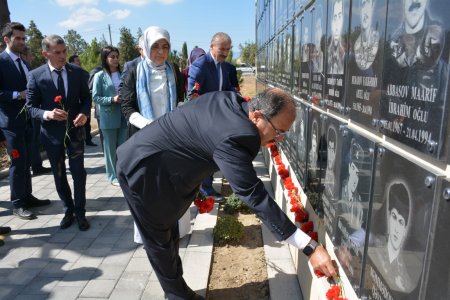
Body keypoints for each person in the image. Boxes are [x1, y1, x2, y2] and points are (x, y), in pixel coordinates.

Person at [116, 88, 337, 299]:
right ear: (257, 116)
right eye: (279, 131)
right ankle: (177, 295)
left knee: (169, 235)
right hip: (144, 172)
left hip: (165, 170)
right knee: (159, 241)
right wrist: (309, 247)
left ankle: (177, 286)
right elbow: (253, 194)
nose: (279, 139)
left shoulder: (233, 103)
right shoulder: (238, 136)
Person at [121, 26, 188, 243]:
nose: (160, 52)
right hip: (144, 137)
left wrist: (178, 115)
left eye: (165, 46)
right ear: (147, 46)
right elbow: (127, 106)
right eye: (156, 46)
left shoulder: (174, 70)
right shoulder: (133, 71)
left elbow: (179, 98)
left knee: (173, 185)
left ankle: (177, 229)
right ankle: (148, 234)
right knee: (147, 187)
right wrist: (148, 125)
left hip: (171, 137)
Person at [26, 35, 91, 231]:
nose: (63, 56)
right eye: (57, 52)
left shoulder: (78, 73)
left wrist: (84, 114)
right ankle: (68, 210)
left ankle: (80, 212)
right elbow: (30, 108)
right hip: (52, 136)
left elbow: (86, 100)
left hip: (75, 131)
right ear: (45, 53)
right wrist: (48, 114)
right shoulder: (36, 76)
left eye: (64, 51)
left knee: (79, 173)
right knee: (59, 174)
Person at [0, 22, 50, 220]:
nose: (22, 42)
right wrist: (16, 95)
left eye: (23, 38)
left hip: (28, 120)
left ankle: (27, 196)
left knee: (27, 160)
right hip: (11, 123)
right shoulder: (1, 61)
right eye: (18, 38)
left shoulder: (24, 62)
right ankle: (18, 203)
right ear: (6, 39)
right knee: (17, 162)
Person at [187, 32, 238, 202]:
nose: (224, 52)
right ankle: (205, 190)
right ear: (211, 46)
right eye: (221, 49)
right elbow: (192, 94)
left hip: (218, 117)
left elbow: (227, 86)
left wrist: (237, 96)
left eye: (228, 49)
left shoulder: (223, 65)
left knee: (213, 153)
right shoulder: (201, 65)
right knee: (206, 155)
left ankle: (206, 187)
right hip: (204, 118)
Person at [368, 182, 418, 293]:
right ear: (388, 215)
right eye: (394, 217)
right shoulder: (375, 253)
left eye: (401, 222)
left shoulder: (405, 280)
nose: (396, 229)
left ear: (406, 229)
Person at [92, 46, 128, 186]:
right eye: (112, 56)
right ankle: (112, 177)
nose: (115, 59)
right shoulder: (99, 76)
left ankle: (123, 173)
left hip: (123, 115)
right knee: (110, 149)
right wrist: (111, 100)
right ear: (105, 58)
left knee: (123, 147)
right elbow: (95, 97)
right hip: (108, 117)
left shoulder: (122, 74)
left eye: (116, 56)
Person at [22, 45, 52, 176]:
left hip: (33, 110)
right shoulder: (21, 66)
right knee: (31, 140)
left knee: (34, 139)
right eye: (30, 55)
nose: (32, 57)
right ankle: (34, 165)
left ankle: (37, 165)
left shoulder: (27, 67)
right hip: (24, 111)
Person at [69, 54, 97, 147]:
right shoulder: (67, 73)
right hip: (73, 103)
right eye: (77, 60)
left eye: (79, 60)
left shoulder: (84, 73)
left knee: (87, 122)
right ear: (71, 62)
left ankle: (88, 140)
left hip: (84, 102)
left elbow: (88, 85)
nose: (79, 62)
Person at [354, 0, 379, 70]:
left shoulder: (376, 37)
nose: (365, 17)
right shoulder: (357, 44)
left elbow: (366, 65)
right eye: (363, 5)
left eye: (368, 4)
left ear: (372, 9)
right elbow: (362, 65)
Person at [327, 0, 345, 74]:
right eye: (335, 18)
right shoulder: (328, 52)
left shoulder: (344, 54)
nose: (337, 24)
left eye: (340, 17)